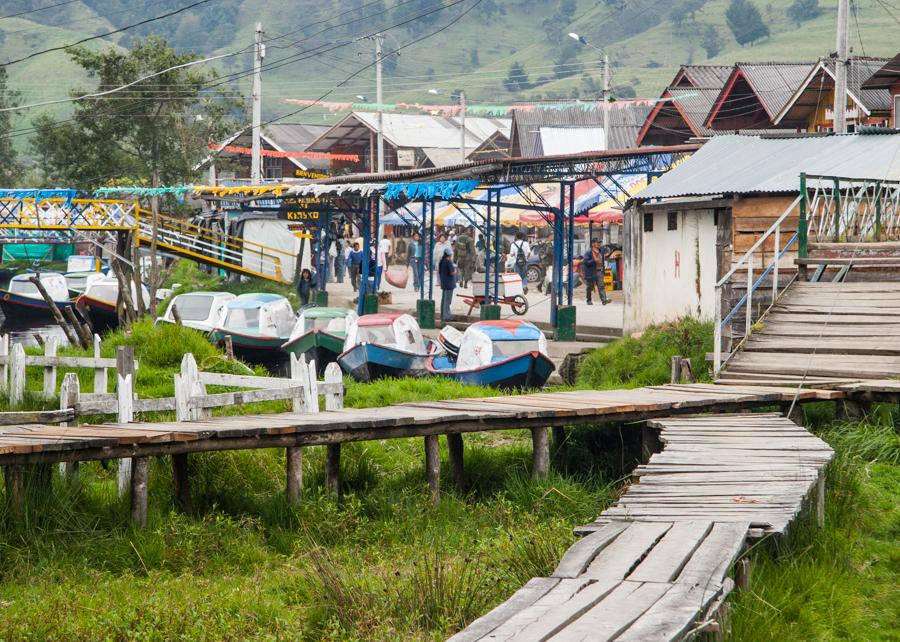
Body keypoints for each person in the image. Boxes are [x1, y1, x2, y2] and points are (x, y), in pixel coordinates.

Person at [582, 238, 610, 305]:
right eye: (597, 243)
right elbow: (585, 262)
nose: (599, 244)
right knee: (590, 287)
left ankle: (604, 300)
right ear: (593, 244)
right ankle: (589, 300)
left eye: (600, 243)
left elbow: (607, 252)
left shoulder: (601, 251)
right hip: (591, 272)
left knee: (601, 286)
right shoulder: (588, 252)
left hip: (600, 271)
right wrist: (594, 261)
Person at [438, 246, 457, 323]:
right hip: (449, 284)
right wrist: (456, 271)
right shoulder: (448, 262)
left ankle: (443, 315)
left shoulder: (441, 261)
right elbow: (452, 272)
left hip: (444, 283)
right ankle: (447, 316)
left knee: (443, 300)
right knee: (447, 301)